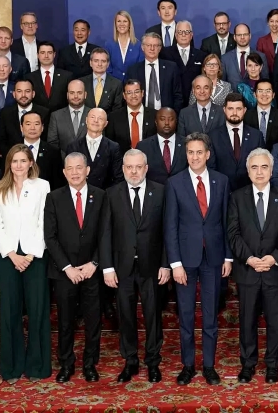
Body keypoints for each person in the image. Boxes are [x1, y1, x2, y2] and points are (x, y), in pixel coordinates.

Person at [164, 133, 232, 386]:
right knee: (186, 315)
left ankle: (209, 366)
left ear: (208, 154)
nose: (194, 157)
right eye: (190, 152)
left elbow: (226, 221)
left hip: (213, 258)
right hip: (185, 261)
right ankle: (188, 365)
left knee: (211, 315)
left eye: (199, 152)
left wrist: (227, 256)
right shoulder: (175, 183)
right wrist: (175, 264)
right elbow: (170, 226)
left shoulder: (221, 181)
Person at [226, 148, 278, 384]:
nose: (259, 172)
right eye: (254, 167)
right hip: (248, 270)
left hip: (275, 270)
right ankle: (248, 364)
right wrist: (249, 258)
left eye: (264, 167)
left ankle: (273, 365)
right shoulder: (237, 197)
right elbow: (233, 233)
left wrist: (273, 258)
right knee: (247, 320)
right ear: (248, 171)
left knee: (275, 321)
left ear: (271, 170)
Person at [102, 150, 169, 383]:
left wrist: (166, 264)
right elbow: (105, 233)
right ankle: (130, 360)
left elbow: (167, 231)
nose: (133, 171)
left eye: (138, 167)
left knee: (153, 315)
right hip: (122, 268)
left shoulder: (160, 191)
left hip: (152, 266)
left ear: (146, 168)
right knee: (126, 316)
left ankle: (153, 361)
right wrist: (107, 267)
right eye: (129, 167)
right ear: (123, 169)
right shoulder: (111, 194)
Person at [0, 144, 51, 383]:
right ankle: (11, 367)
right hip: (7, 257)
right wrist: (12, 254)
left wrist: (31, 254)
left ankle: (37, 366)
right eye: (14, 161)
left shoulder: (42, 186)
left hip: (35, 256)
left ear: (31, 163)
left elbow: (44, 222)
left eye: (23, 160)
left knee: (37, 310)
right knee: (9, 311)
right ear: (9, 164)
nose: (18, 165)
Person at [44, 152, 108, 383]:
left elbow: (106, 233)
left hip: (92, 270)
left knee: (93, 320)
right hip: (65, 272)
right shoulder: (54, 197)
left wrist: (95, 263)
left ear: (87, 170)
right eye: (70, 168)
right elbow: (50, 237)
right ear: (64, 172)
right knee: (65, 321)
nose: (75, 172)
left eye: (79, 167)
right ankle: (66, 364)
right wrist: (67, 267)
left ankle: (90, 364)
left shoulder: (101, 196)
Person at [207, 92, 265, 191]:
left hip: (250, 191)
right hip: (222, 190)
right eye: (230, 109)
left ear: (244, 110)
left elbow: (262, 165)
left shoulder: (256, 136)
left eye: (238, 109)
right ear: (224, 110)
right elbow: (211, 168)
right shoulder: (213, 136)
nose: (234, 113)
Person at [65, 108, 123, 190]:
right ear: (86, 120)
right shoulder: (73, 147)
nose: (96, 121)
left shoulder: (113, 147)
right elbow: (69, 174)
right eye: (92, 117)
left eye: (100, 118)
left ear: (106, 123)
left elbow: (118, 177)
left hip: (105, 194)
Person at [125, 33, 183, 111]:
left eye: (155, 45)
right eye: (148, 45)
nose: (152, 48)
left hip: (166, 115)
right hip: (141, 114)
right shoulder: (133, 70)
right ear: (142, 47)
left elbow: (178, 95)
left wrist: (173, 114)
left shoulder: (171, 68)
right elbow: (128, 95)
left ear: (160, 48)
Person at [0, 79, 49, 161]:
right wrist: (15, 157)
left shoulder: (44, 113)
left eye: (27, 91)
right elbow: (0, 140)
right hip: (12, 161)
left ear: (33, 94)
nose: (23, 95)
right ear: (14, 94)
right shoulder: (5, 113)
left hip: (40, 160)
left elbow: (47, 139)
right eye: (19, 91)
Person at [161, 20, 207, 109]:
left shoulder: (201, 55)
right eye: (180, 32)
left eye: (187, 32)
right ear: (175, 35)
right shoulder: (165, 54)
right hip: (172, 101)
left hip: (195, 102)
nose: (183, 35)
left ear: (191, 35)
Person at [105, 79, 157, 155]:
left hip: (149, 159)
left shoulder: (155, 115)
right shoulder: (113, 117)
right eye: (129, 93)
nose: (133, 96)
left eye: (136, 92)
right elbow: (110, 144)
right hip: (122, 160)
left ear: (142, 93)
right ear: (124, 96)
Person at [137, 108, 187, 185]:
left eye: (171, 119)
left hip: (181, 189)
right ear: (156, 122)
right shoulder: (143, 146)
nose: (167, 123)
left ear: (176, 121)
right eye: (162, 119)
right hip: (153, 191)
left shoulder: (187, 144)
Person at [20, 111, 64, 190]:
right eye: (28, 124)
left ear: (42, 127)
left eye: (36, 124)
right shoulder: (13, 150)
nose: (32, 128)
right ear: (21, 128)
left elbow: (58, 182)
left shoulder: (53, 151)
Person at [26, 41, 73, 113]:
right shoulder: (29, 77)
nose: (46, 56)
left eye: (49, 53)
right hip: (37, 117)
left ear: (54, 54)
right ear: (37, 55)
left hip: (60, 117)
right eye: (42, 53)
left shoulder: (67, 76)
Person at [47, 79, 90, 155]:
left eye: (79, 93)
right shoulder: (56, 116)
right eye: (72, 93)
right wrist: (67, 159)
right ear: (67, 95)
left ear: (85, 94)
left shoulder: (93, 114)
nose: (75, 96)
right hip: (63, 160)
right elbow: (52, 143)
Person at [243, 79, 278, 150]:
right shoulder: (246, 116)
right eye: (260, 91)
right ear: (254, 95)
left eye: (268, 91)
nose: (264, 94)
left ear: (273, 95)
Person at [222, 24, 269, 89]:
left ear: (250, 36)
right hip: (232, 95)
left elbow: (266, 81)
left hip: (254, 95)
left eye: (245, 34)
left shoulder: (261, 56)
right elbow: (223, 83)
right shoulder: (225, 58)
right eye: (239, 35)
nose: (242, 37)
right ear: (234, 37)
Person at [80, 47, 124, 113]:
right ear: (90, 63)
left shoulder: (116, 84)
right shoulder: (81, 83)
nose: (99, 64)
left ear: (108, 64)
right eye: (96, 61)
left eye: (103, 61)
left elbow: (117, 110)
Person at [105, 10, 143, 82]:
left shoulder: (138, 45)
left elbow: (140, 69)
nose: (121, 24)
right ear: (115, 24)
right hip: (114, 85)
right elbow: (107, 68)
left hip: (133, 85)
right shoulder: (109, 44)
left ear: (129, 24)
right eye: (119, 21)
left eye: (125, 21)